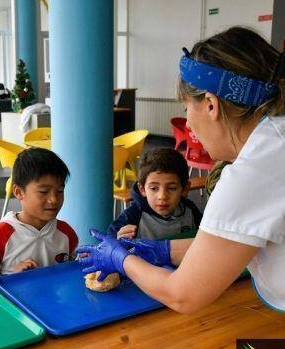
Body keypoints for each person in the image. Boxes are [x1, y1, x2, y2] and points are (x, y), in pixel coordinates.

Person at [79, 26, 285, 312]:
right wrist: (159, 251)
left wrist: (121, 260)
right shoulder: (276, 139)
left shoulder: (252, 173)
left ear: (211, 104)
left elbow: (183, 294)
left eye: (187, 107)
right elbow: (224, 246)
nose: (187, 123)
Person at [0, 148, 78, 280]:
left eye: (60, 191)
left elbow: (72, 273)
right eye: (44, 192)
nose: (54, 199)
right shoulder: (0, 234)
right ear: (19, 192)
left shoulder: (66, 233)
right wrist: (11, 279)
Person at [107, 148, 202, 239]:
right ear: (142, 189)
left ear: (185, 189)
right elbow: (108, 244)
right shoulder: (132, 216)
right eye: (154, 188)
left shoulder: (190, 210)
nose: (162, 196)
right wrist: (118, 240)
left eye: (171, 188)